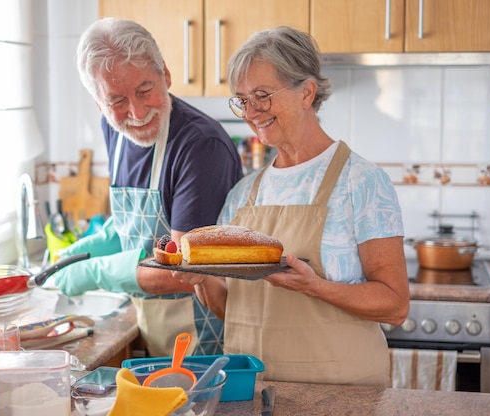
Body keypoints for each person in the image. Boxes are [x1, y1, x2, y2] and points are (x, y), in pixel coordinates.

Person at [175, 26, 409, 386]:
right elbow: (231, 310)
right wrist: (200, 280)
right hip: (254, 393)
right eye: (242, 100)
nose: (251, 112)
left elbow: (395, 305)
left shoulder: (360, 182)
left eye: (262, 95)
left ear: (307, 93)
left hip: (341, 395)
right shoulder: (243, 194)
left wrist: (315, 287)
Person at [53, 18, 243, 357]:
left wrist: (96, 271)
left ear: (166, 76)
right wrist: (95, 245)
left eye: (145, 90)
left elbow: (185, 269)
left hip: (208, 340)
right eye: (117, 100)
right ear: (98, 103)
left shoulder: (200, 146)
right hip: (158, 332)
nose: (137, 112)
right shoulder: (115, 129)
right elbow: (137, 224)